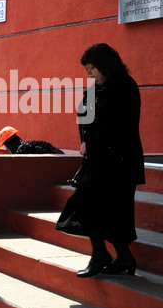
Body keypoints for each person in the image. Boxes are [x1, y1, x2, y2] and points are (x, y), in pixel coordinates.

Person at [56, 43, 145, 277]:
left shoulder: (125, 86)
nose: (89, 73)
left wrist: (91, 144)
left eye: (92, 68)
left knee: (92, 203)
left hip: (119, 161)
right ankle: (123, 257)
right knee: (104, 208)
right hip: (98, 159)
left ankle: (101, 255)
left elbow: (119, 125)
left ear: (106, 65)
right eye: (87, 68)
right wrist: (85, 142)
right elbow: (85, 117)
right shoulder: (96, 88)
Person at [0, 126, 64, 154]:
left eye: (5, 145)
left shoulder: (22, 151)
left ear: (10, 142)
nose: (6, 148)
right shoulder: (28, 146)